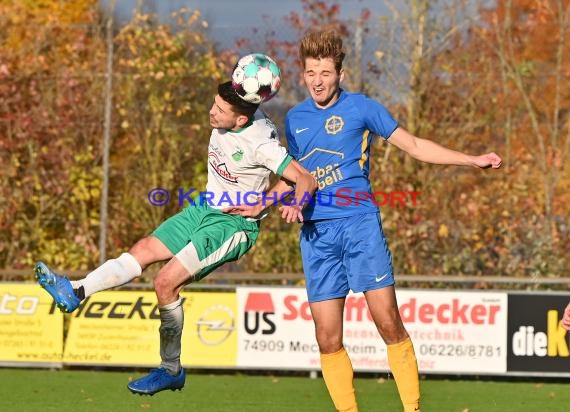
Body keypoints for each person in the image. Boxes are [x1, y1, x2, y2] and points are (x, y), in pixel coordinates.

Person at [35, 80, 317, 396]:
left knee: (165, 282)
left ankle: (170, 368)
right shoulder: (241, 105)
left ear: (240, 119)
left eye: (219, 110)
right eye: (214, 104)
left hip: (232, 226)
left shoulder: (260, 143)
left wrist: (271, 203)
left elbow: (304, 178)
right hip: (204, 208)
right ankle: (76, 290)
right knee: (143, 249)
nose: (211, 112)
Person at [281, 30, 501, 412]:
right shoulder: (294, 119)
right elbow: (292, 176)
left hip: (360, 226)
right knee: (327, 338)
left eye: (325, 72)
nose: (317, 80)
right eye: (311, 72)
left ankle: (412, 408)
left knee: (388, 323)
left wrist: (471, 159)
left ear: (341, 75)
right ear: (303, 74)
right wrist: (277, 201)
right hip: (317, 235)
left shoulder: (362, 108)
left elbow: (414, 145)